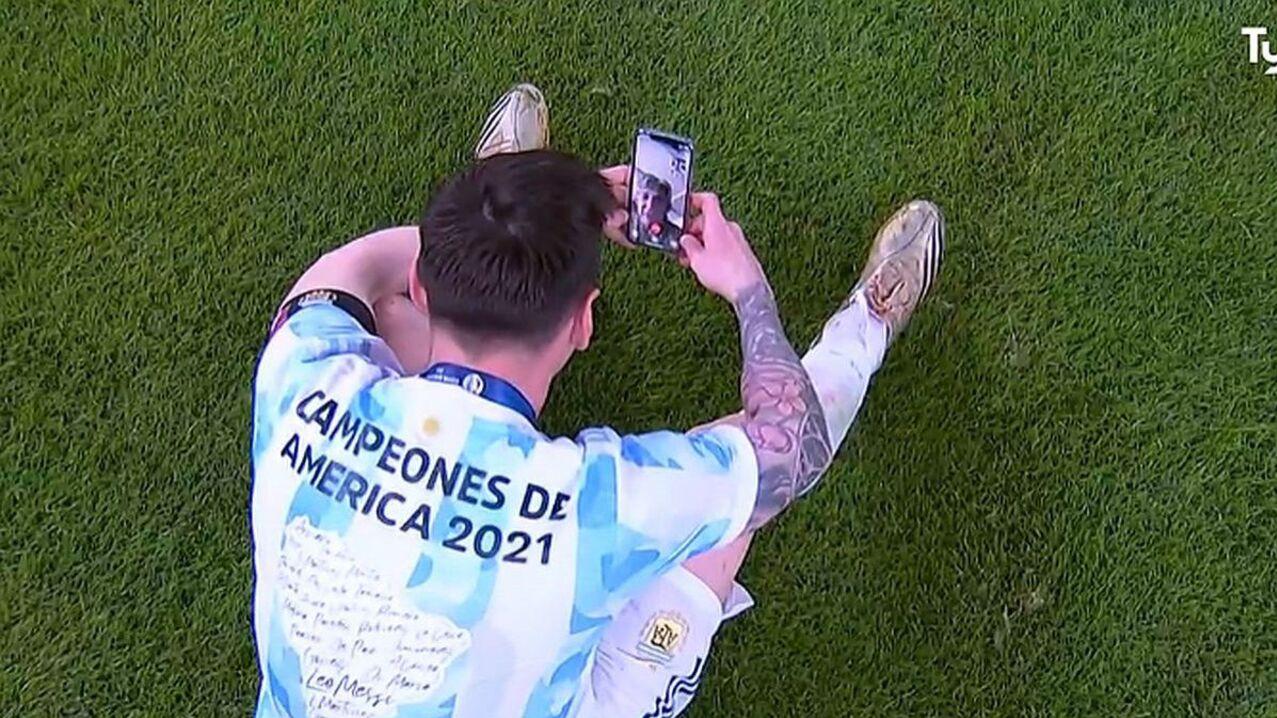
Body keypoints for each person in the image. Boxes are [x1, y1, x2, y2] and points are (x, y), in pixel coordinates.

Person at [249, 84, 944, 718]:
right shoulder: (598, 506)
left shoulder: (305, 381)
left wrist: (512, 227)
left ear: (427, 280)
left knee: (389, 321)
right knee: (740, 492)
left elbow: (341, 276)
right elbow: (795, 451)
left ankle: (503, 216)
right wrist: (746, 292)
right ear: (583, 322)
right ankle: (864, 329)